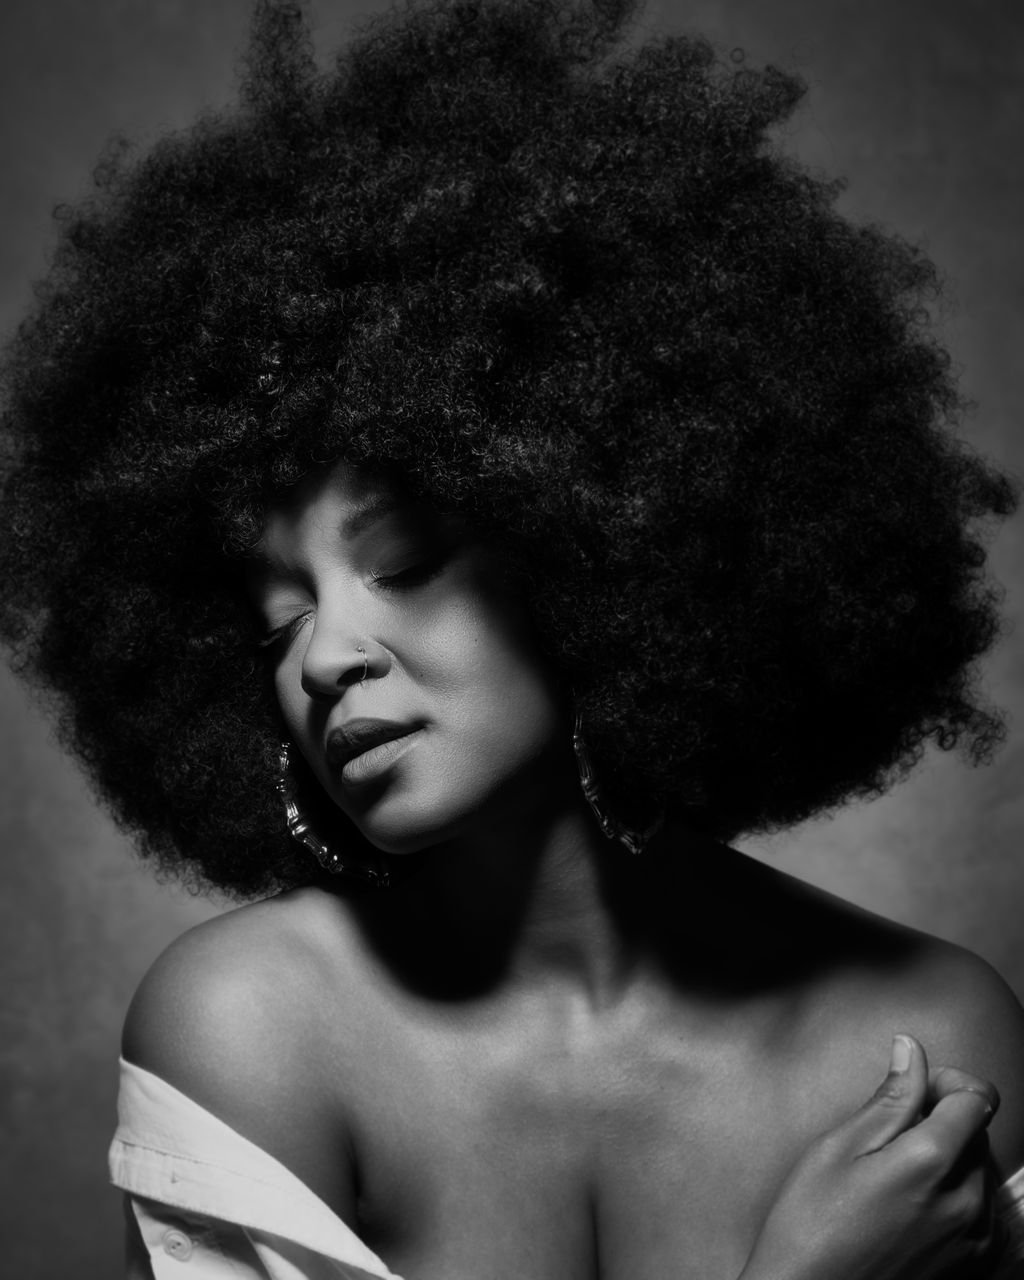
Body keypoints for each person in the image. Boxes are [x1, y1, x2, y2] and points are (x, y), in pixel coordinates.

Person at [1, 0, 1022, 1276]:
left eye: (406, 564)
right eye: (279, 620)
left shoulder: (928, 1032)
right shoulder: (250, 1026)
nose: (324, 660)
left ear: (598, 543)